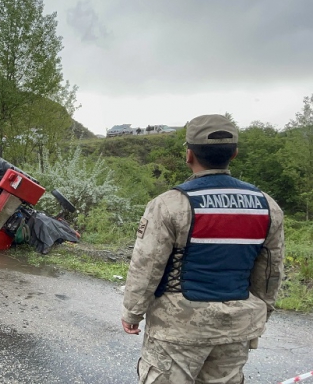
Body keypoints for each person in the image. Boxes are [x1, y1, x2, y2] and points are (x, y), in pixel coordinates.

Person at [121, 114, 284, 384]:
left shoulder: (169, 204)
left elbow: (147, 265)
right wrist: (261, 311)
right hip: (235, 328)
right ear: (234, 153)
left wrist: (132, 312)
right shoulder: (267, 205)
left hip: (178, 328)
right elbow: (269, 271)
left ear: (189, 155)